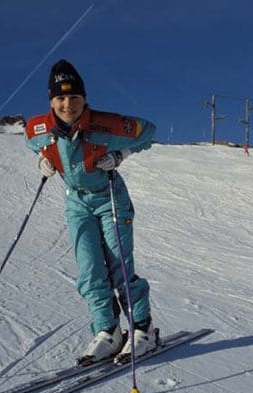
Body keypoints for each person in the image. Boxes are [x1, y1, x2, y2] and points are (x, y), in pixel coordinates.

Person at [24, 59, 157, 364]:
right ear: (51, 100)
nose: (67, 104)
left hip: (109, 196)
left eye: (74, 97)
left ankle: (142, 330)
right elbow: (33, 143)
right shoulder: (37, 128)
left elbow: (148, 132)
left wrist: (121, 153)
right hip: (76, 202)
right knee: (89, 268)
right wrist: (43, 160)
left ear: (84, 98)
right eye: (60, 98)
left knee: (119, 263)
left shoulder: (106, 124)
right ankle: (108, 331)